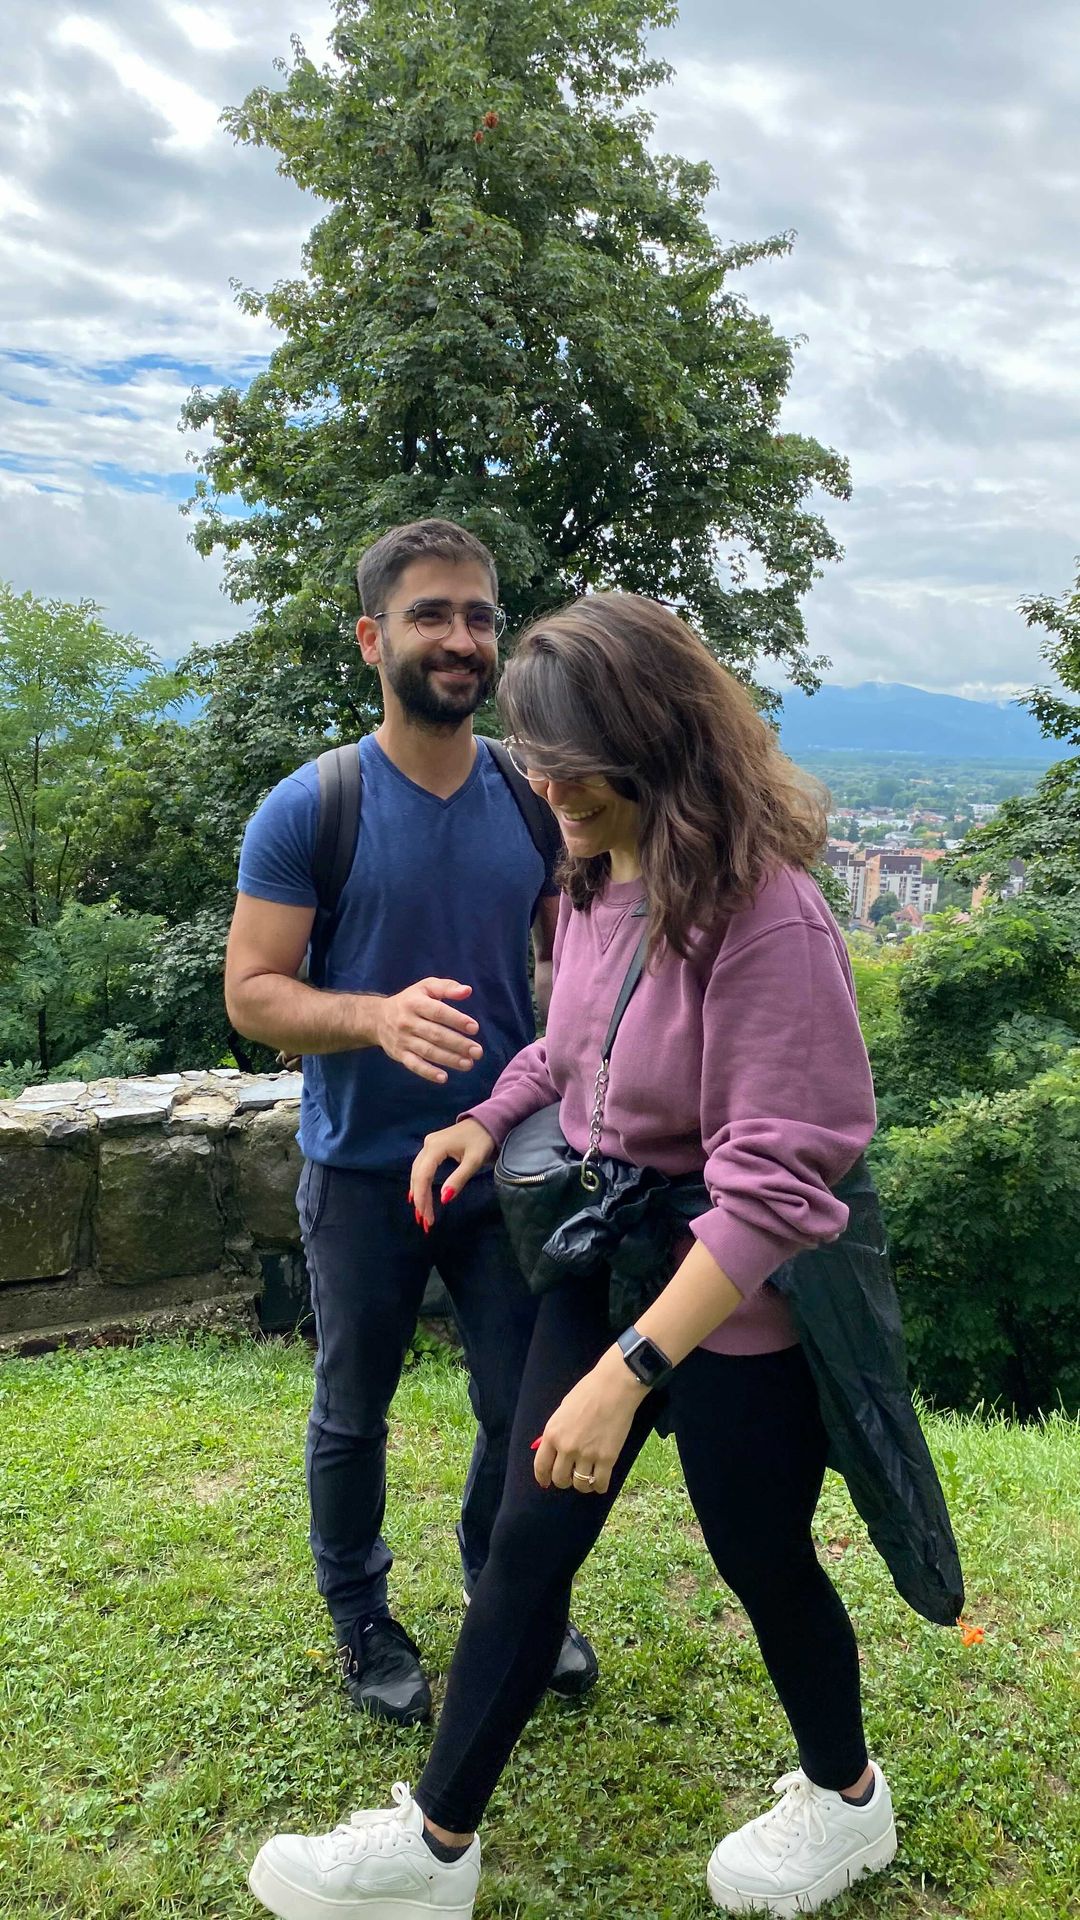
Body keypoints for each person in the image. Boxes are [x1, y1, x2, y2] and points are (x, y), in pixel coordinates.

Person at [248, 592, 900, 1920]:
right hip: (606, 1246)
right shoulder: (598, 874)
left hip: (730, 1295)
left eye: (568, 766)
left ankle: (848, 1802)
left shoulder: (768, 915)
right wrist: (487, 1119)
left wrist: (630, 1371)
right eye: (536, 764)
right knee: (529, 1537)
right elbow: (576, 1046)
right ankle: (434, 1851)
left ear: (652, 745)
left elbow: (781, 1183)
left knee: (761, 1553)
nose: (544, 791)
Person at [225, 519, 597, 1728]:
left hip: (508, 1164)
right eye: (430, 613)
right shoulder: (313, 807)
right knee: (352, 1411)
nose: (461, 638)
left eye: (479, 615)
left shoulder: (535, 800)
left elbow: (575, 969)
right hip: (361, 1169)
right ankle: (361, 1617)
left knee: (521, 1409)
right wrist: (374, 1018)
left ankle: (504, 1586)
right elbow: (252, 992)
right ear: (371, 638)